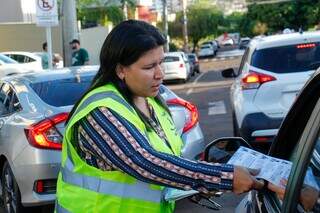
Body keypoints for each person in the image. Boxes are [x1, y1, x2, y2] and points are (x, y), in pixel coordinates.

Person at [55, 20, 264, 213]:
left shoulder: (151, 100)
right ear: (120, 70)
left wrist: (191, 185)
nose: (160, 74)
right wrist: (223, 177)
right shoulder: (100, 112)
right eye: (149, 67)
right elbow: (144, 161)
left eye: (160, 63)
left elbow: (167, 160)